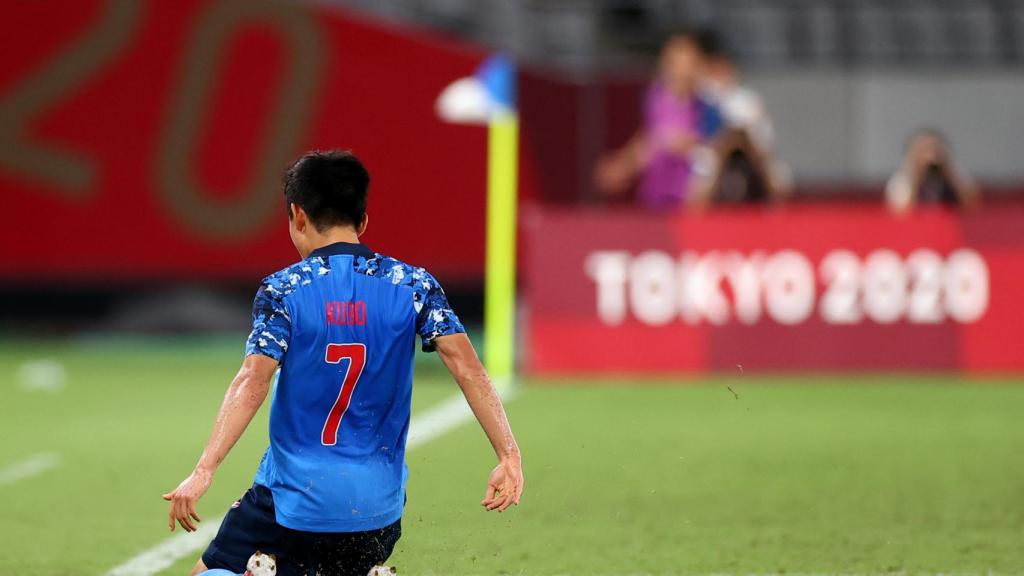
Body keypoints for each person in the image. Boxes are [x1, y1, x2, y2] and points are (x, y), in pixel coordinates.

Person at [163, 151, 524, 576]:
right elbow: (469, 369)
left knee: (207, 571)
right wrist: (509, 454)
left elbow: (252, 381)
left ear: (298, 215)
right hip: (378, 511)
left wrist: (204, 470)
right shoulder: (414, 284)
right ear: (363, 221)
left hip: (292, 501)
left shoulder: (284, 290)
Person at [594, 31, 723, 209]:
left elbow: (714, 152)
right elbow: (649, 139)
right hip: (656, 195)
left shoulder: (707, 108)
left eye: (686, 63)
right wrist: (623, 165)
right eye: (674, 63)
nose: (679, 70)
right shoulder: (654, 98)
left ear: (697, 66)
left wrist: (690, 146)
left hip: (689, 201)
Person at [688, 29, 791, 206]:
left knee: (780, 179)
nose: (720, 72)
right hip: (712, 154)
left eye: (724, 66)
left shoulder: (749, 101)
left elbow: (764, 141)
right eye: (714, 67)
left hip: (750, 157)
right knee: (700, 176)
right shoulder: (699, 97)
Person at [885, 128, 979, 214]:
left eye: (934, 148)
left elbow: (972, 205)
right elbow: (901, 212)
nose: (930, 155)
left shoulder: (954, 175)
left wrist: (947, 168)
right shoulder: (901, 180)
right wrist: (917, 172)